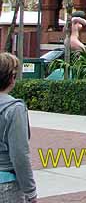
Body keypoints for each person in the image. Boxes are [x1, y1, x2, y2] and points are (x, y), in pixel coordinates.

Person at [0, 52, 37, 203]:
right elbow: (20, 154)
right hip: (6, 185)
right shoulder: (14, 109)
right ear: (11, 78)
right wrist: (30, 191)